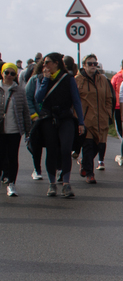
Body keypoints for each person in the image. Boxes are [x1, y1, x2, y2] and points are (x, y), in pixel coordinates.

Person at [35, 52, 85, 197]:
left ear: (56, 63)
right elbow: (38, 98)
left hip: (65, 118)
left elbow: (76, 101)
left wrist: (81, 122)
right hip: (49, 118)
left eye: (47, 62)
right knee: (51, 150)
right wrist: (45, 80)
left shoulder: (68, 78)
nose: (44, 65)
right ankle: (52, 184)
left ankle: (66, 183)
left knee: (66, 149)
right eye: (44, 62)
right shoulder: (41, 78)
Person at [75, 54, 114, 183]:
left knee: (100, 146)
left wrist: (108, 113)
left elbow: (109, 98)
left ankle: (84, 162)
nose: (93, 66)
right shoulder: (78, 80)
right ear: (84, 65)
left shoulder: (103, 79)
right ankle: (90, 174)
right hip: (87, 120)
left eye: (95, 64)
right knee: (88, 146)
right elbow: (74, 101)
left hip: (101, 119)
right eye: (90, 64)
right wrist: (78, 118)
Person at [1, 63, 33, 196]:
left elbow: (25, 111)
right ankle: (5, 174)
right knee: (2, 156)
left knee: (13, 157)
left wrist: (28, 130)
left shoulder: (19, 91)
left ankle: (11, 183)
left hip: (14, 130)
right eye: (6, 72)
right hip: (1, 130)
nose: (9, 75)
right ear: (2, 73)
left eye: (12, 73)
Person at [23, 63, 44, 180]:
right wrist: (33, 115)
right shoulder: (34, 80)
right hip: (36, 118)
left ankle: (58, 168)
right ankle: (37, 169)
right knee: (36, 146)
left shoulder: (57, 79)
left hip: (50, 118)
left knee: (55, 145)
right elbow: (27, 98)